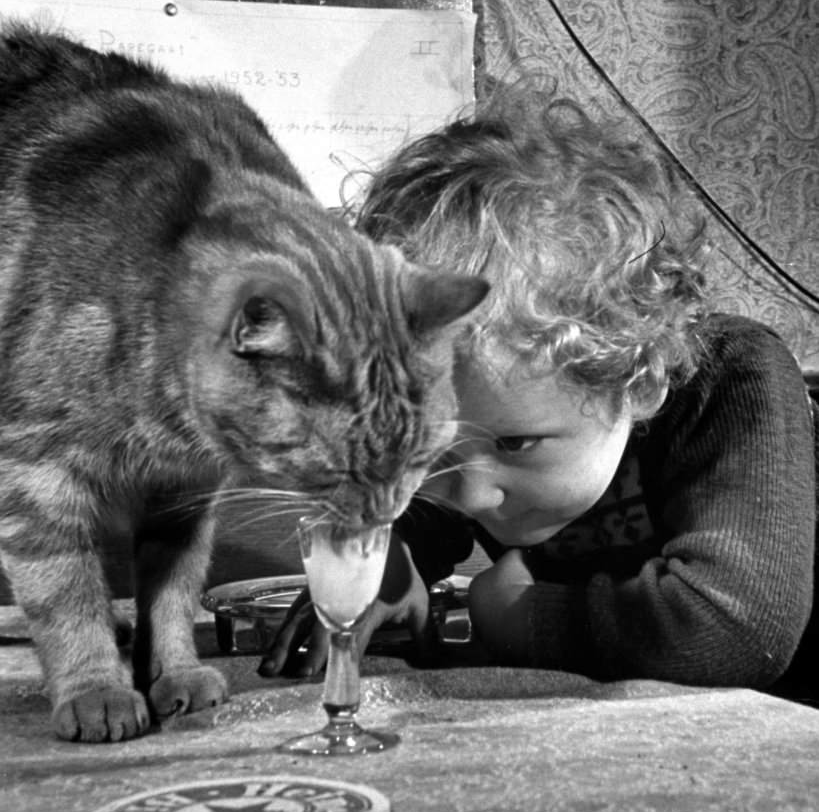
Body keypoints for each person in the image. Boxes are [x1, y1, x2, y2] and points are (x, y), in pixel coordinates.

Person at [261, 89, 818, 698]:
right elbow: (432, 514)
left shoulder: (732, 381)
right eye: (432, 451)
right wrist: (393, 558)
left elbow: (732, 633)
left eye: (517, 443)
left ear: (642, 380)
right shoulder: (487, 444)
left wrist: (522, 615)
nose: (472, 495)